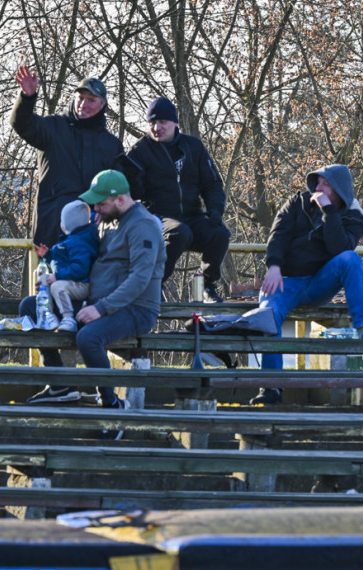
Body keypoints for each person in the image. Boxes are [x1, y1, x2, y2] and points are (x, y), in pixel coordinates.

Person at [24, 171, 165, 439]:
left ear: (121, 199)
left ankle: (112, 405)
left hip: (135, 309)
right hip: (98, 301)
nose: (95, 210)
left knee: (88, 337)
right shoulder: (108, 221)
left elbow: (140, 278)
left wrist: (101, 308)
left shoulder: (143, 226)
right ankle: (60, 387)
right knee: (31, 307)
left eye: (101, 204)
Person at [254, 165, 363, 405]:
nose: (316, 188)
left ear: (338, 189)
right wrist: (274, 266)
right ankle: (270, 387)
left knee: (351, 259)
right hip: (285, 281)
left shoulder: (353, 216)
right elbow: (278, 235)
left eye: (324, 184)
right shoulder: (297, 202)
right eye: (317, 182)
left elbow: (340, 249)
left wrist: (328, 211)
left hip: (319, 283)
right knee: (267, 314)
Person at [123, 96, 230, 302]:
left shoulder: (194, 147)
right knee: (179, 232)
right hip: (156, 217)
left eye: (162, 122)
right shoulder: (140, 151)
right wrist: (133, 180)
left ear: (175, 123)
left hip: (192, 215)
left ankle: (206, 285)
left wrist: (215, 210)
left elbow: (212, 183)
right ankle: (154, 284)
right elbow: (131, 194)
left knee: (220, 233)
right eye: (152, 123)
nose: (157, 128)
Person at [11, 63, 123, 252]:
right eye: (80, 98)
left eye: (91, 100)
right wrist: (27, 97)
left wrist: (105, 211)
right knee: (47, 281)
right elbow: (21, 123)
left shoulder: (111, 145)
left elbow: (118, 189)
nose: (83, 104)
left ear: (103, 104)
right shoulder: (53, 127)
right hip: (51, 233)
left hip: (94, 236)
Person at [34, 200, 99, 333]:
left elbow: (81, 268)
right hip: (70, 280)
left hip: (82, 285)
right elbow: (63, 261)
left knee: (58, 286)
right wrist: (48, 255)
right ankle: (47, 315)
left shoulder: (79, 242)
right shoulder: (71, 239)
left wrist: (58, 276)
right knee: (42, 277)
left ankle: (68, 318)